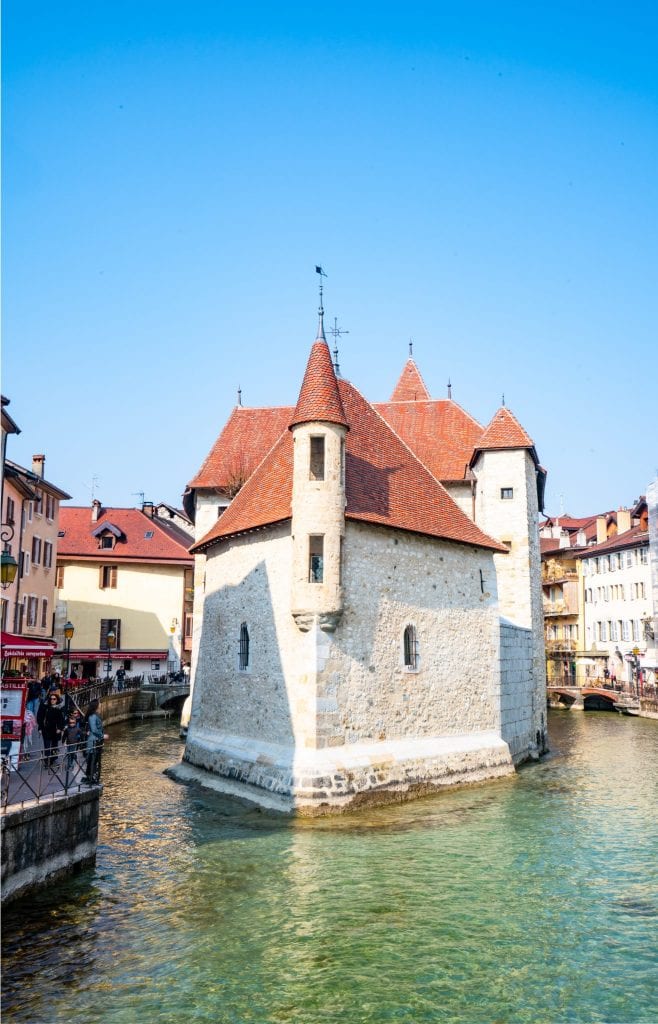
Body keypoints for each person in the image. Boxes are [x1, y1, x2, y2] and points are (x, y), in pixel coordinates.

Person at [37, 693, 65, 768]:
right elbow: (40, 717)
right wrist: (40, 728)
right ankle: (47, 761)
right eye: (51, 699)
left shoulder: (59, 708)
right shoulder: (45, 707)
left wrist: (60, 728)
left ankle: (53, 759)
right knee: (47, 745)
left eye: (54, 699)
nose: (52, 700)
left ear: (57, 700)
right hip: (46, 729)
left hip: (55, 730)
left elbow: (61, 720)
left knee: (54, 745)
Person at [83, 699, 105, 784]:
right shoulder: (92, 716)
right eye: (99, 703)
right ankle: (90, 778)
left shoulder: (95, 715)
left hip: (97, 740)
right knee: (93, 759)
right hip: (93, 740)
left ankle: (91, 777)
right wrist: (102, 735)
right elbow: (94, 729)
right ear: (96, 705)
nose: (100, 704)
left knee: (94, 759)